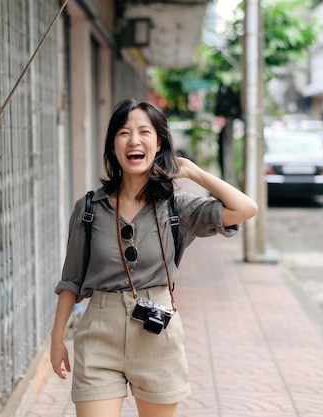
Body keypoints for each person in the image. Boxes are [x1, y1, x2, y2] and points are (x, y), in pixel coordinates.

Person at [50, 99, 258, 417]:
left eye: (144, 132)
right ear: (113, 146)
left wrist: (193, 172)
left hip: (156, 333)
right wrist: (56, 338)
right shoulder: (89, 208)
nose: (134, 140)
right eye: (124, 132)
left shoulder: (177, 207)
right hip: (98, 334)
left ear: (157, 143)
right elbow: (71, 279)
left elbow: (244, 209)